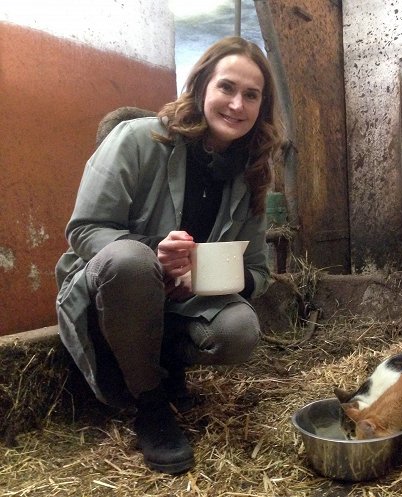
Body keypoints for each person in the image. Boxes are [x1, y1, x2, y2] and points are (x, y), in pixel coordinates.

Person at [55, 36, 284, 475]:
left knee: (239, 328)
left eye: (251, 95)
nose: (237, 104)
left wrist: (203, 276)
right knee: (130, 262)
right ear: (201, 87)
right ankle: (150, 404)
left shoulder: (252, 171)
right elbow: (84, 228)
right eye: (227, 87)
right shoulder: (138, 138)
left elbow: (258, 271)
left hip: (183, 300)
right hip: (114, 288)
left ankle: (165, 363)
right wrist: (152, 255)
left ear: (261, 107)